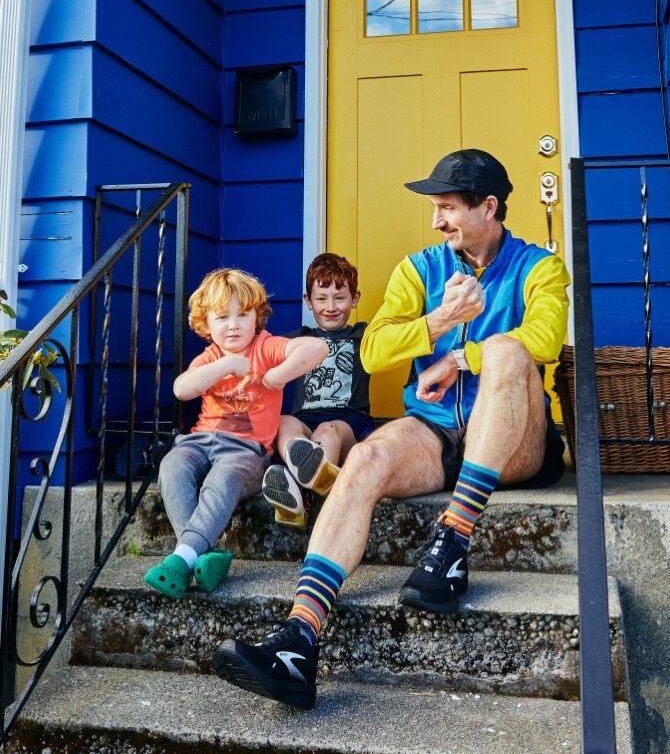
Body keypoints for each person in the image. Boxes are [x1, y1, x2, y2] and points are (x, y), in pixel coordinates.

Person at [211, 148, 570, 710]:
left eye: (448, 207)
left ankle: (453, 540)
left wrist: (460, 357)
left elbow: (545, 339)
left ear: (488, 207)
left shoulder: (540, 267)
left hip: (514, 442)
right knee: (365, 458)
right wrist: (441, 320)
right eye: (435, 208)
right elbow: (373, 352)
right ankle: (299, 639)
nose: (437, 220)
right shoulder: (418, 269)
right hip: (435, 433)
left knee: (505, 349)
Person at [144, 268, 327, 599]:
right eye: (222, 317)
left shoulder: (265, 347)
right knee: (171, 465)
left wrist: (278, 376)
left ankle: (183, 557)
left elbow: (316, 348)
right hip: (198, 443)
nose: (233, 324)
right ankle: (197, 555)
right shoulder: (212, 357)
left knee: (223, 479)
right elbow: (182, 389)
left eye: (242, 314)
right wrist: (226, 365)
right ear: (206, 323)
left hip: (246, 451)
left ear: (257, 317)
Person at [261, 252, 374, 530]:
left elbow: (399, 335)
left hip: (348, 425)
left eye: (340, 298)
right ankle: (296, 489)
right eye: (321, 299)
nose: (330, 307)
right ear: (308, 301)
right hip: (304, 423)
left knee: (327, 431)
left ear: (355, 298)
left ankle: (301, 496)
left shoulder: (364, 336)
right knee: (283, 422)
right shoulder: (298, 340)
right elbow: (259, 351)